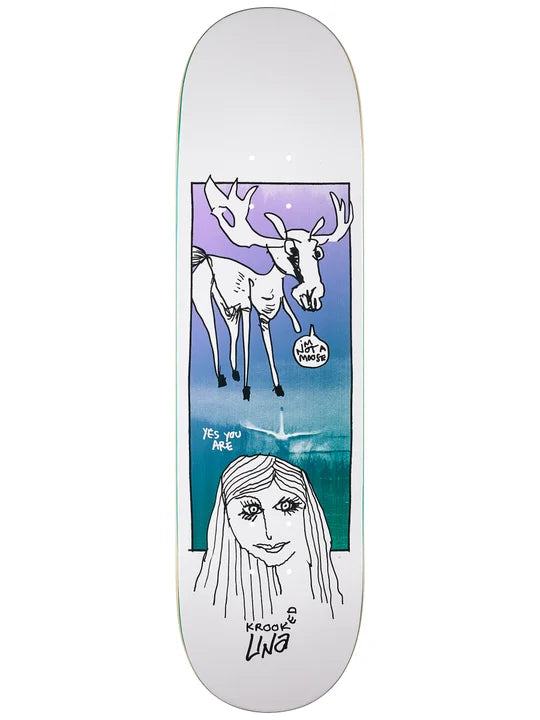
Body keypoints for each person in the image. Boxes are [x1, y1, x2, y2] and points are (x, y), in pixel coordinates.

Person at [194, 454, 342, 620]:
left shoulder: (334, 594)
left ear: (308, 510)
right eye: (251, 510)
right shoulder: (206, 601)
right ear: (226, 517)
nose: (270, 533)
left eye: (286, 506)